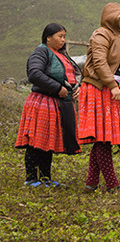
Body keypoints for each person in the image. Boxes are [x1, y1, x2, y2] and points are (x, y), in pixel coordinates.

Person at [77, 2, 120, 193]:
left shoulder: (116, 36)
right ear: (112, 18)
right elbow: (100, 62)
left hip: (111, 89)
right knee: (103, 138)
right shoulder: (101, 34)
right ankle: (112, 184)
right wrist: (112, 85)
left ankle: (91, 183)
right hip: (99, 88)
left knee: (103, 138)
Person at [17, 23, 81, 187]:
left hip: (56, 103)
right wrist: (57, 87)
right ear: (48, 37)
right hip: (42, 101)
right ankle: (31, 178)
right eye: (60, 36)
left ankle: (45, 178)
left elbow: (74, 74)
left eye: (64, 37)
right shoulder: (42, 51)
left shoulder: (61, 54)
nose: (63, 40)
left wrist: (76, 88)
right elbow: (34, 73)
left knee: (47, 141)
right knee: (36, 141)